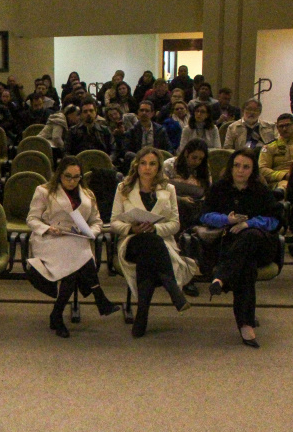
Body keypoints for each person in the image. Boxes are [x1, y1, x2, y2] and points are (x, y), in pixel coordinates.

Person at [25, 156, 120, 338]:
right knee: (76, 257)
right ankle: (98, 295)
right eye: (68, 176)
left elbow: (97, 221)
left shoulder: (87, 194)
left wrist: (91, 232)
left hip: (76, 239)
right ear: (59, 174)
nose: (72, 181)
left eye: (76, 177)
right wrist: (48, 228)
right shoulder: (44, 191)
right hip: (50, 240)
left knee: (72, 267)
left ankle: (57, 315)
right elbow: (32, 219)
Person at [110, 147, 196, 338]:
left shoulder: (168, 189)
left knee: (148, 257)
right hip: (132, 241)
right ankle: (172, 287)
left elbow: (175, 224)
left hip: (159, 242)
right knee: (147, 241)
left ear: (159, 167)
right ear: (137, 165)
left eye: (152, 164)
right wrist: (132, 229)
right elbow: (114, 222)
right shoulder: (123, 188)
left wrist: (156, 228)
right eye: (143, 163)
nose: (147, 168)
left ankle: (142, 315)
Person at [201, 149, 281, 348]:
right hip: (230, 246)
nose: (240, 170)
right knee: (246, 267)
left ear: (253, 170)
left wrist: (249, 224)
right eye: (236, 165)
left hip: (260, 244)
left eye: (246, 167)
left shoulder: (261, 190)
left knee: (251, 235)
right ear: (230, 167)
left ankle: (221, 276)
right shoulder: (219, 188)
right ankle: (245, 325)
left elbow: (274, 220)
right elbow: (203, 216)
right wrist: (226, 219)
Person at [164, 139, 211, 231]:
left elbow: (207, 191)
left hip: (196, 204)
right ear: (186, 153)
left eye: (200, 159)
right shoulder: (169, 165)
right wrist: (180, 198)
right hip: (174, 201)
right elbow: (160, 189)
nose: (197, 162)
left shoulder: (204, 168)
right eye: (194, 157)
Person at [258, 113, 293, 190]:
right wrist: (284, 175)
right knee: (286, 186)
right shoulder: (269, 147)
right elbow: (262, 169)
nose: (284, 129)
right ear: (277, 129)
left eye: (287, 125)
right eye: (281, 126)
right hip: (281, 181)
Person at [119, 101, 171, 169]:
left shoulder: (160, 130)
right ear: (138, 112)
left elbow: (169, 148)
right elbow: (125, 150)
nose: (144, 113)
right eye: (142, 110)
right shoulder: (132, 131)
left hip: (156, 161)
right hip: (137, 161)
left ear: (152, 113)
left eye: (147, 111)